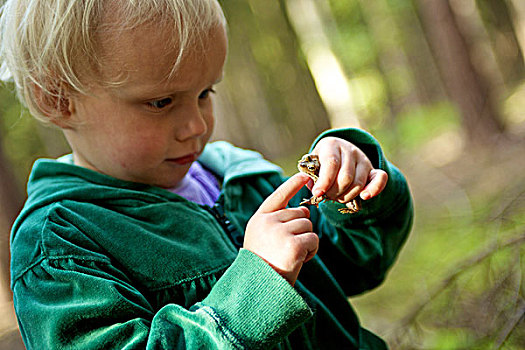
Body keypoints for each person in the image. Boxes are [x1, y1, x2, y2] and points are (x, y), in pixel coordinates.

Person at [0, 0, 413, 348]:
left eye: (204, 93)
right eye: (161, 102)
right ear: (56, 99)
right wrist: (254, 289)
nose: (197, 125)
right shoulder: (59, 246)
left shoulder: (239, 177)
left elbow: (357, 264)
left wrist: (355, 188)